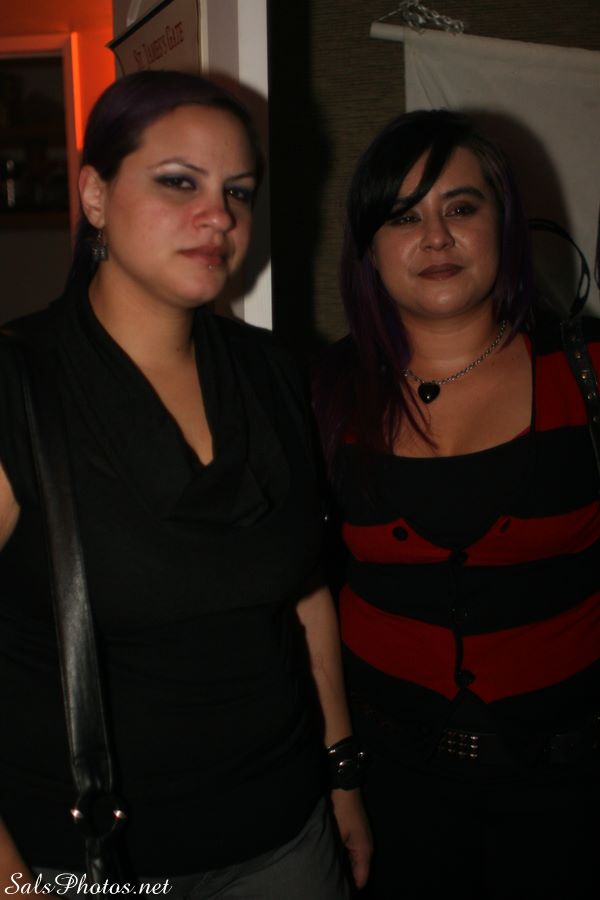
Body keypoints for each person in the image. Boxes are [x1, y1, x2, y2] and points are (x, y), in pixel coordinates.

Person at [0, 70, 371, 899]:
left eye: (237, 191)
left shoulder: (271, 371)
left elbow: (304, 591)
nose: (220, 216)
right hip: (88, 857)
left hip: (286, 835)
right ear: (95, 195)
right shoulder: (20, 384)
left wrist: (342, 773)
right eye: (179, 183)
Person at [313, 109, 600, 900]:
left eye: (461, 207)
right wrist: (339, 777)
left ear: (503, 223)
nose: (435, 238)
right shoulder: (324, 393)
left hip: (573, 796)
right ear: (369, 246)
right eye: (404, 217)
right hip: (390, 792)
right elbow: (304, 599)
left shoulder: (587, 371)